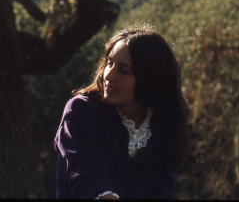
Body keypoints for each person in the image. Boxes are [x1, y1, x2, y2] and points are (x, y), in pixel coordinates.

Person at [54, 24, 190, 199]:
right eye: (109, 63)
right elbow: (88, 176)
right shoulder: (81, 111)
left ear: (150, 79)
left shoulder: (166, 121)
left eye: (124, 71)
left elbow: (162, 186)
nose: (108, 75)